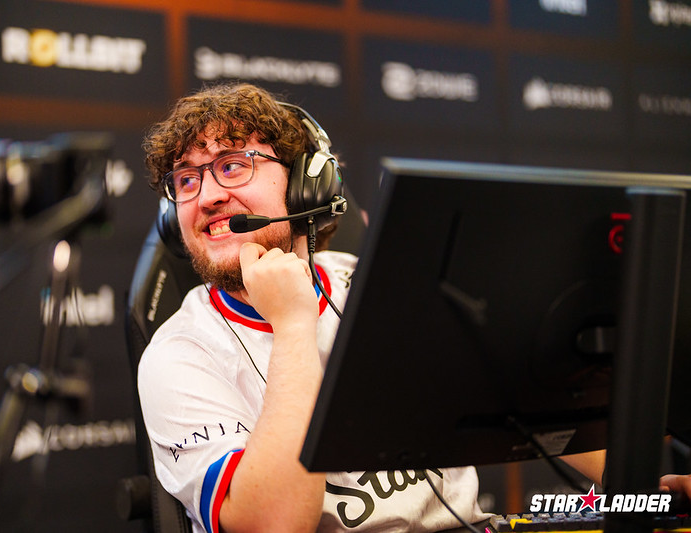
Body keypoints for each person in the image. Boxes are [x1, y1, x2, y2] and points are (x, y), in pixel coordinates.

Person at [138, 82, 690, 533]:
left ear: (308, 183)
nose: (207, 195)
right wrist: (293, 323)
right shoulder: (178, 355)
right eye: (186, 179)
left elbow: (525, 412)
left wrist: (639, 491)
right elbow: (275, 525)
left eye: (233, 165)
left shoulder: (370, 280)